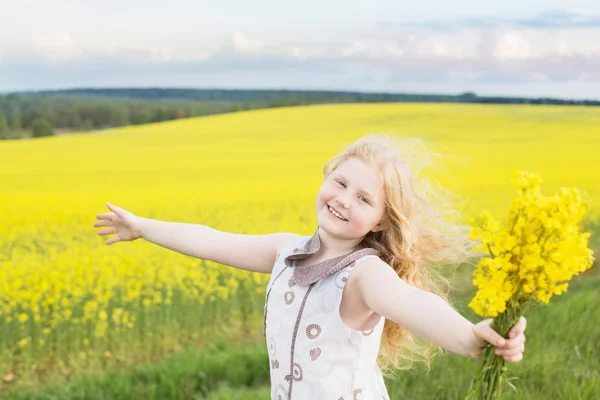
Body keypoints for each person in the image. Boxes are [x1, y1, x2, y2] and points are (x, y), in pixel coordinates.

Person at [93, 133, 527, 399]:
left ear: (380, 220)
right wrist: (142, 227)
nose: (342, 199)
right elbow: (211, 240)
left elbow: (412, 302)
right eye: (340, 182)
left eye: (363, 198)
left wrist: (471, 338)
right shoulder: (284, 251)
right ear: (325, 179)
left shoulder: (364, 274)